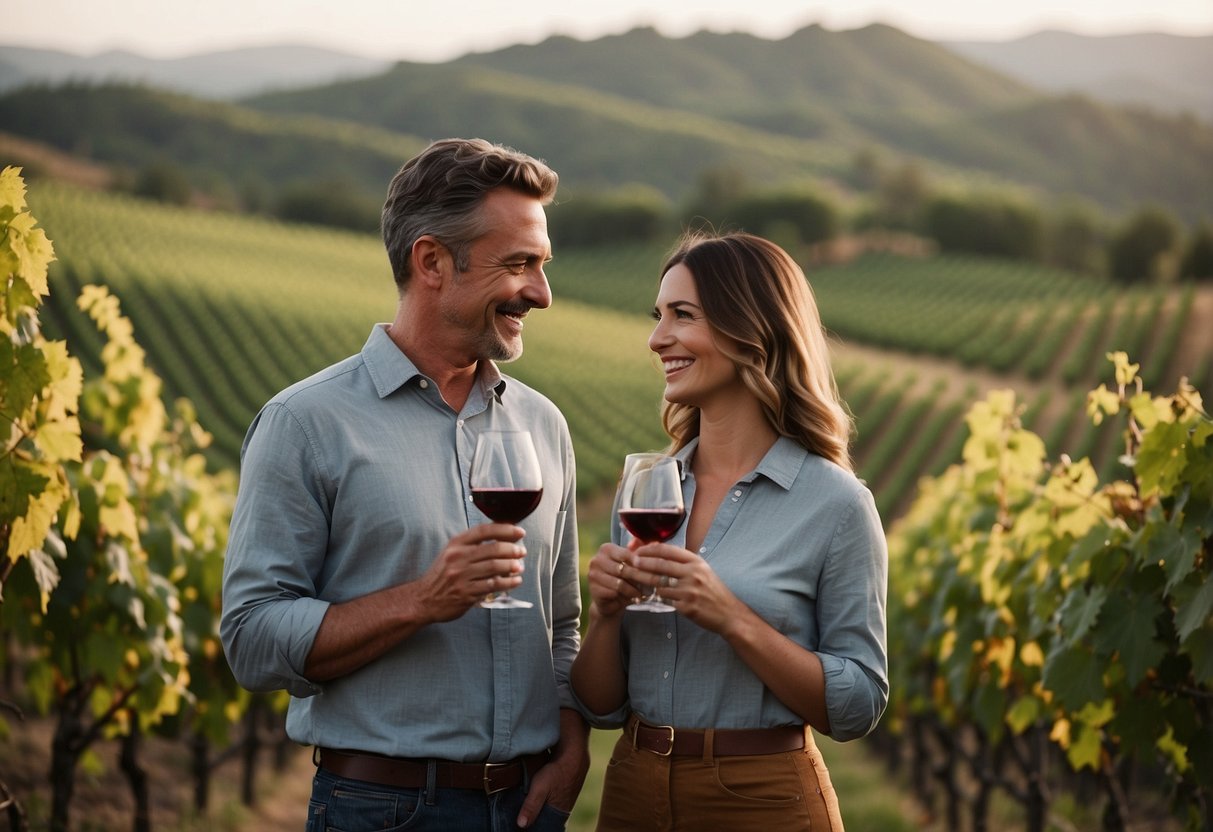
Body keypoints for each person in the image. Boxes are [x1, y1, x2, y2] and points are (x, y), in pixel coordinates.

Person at [220, 138, 588, 831]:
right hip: (383, 808)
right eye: (519, 265)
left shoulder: (543, 425)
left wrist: (571, 747)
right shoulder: (306, 421)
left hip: (527, 809)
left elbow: (561, 623)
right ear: (431, 263)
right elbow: (252, 636)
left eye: (541, 266)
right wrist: (424, 600)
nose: (540, 293)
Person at [570, 231, 888, 830]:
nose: (656, 338)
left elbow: (859, 703)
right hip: (633, 790)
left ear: (752, 330)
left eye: (682, 316)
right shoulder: (649, 491)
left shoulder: (836, 503)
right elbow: (600, 705)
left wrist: (732, 617)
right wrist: (607, 614)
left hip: (762, 800)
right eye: (657, 316)